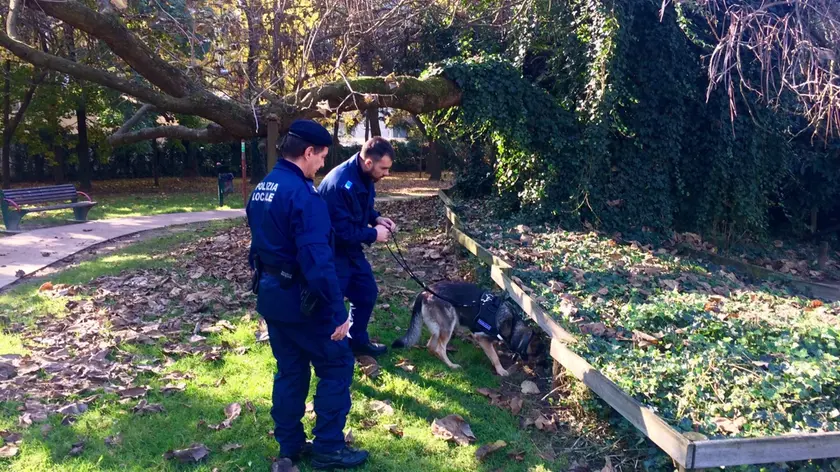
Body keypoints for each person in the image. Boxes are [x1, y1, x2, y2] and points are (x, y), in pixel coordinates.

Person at [246, 119, 369, 470]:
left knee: (290, 371)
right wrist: (336, 313)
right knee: (337, 364)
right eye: (321, 157)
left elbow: (259, 244)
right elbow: (317, 261)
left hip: (273, 296)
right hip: (305, 301)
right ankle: (329, 447)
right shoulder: (304, 195)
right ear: (308, 151)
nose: (322, 165)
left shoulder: (264, 187)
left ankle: (290, 444)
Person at [318, 136, 396, 358]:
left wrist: (377, 219)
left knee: (366, 292)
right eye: (384, 168)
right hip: (332, 252)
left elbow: (363, 209)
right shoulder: (340, 184)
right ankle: (327, 350)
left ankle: (356, 341)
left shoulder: (366, 176)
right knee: (332, 304)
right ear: (369, 162)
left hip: (351, 250)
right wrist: (373, 234)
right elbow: (340, 231)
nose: (387, 174)